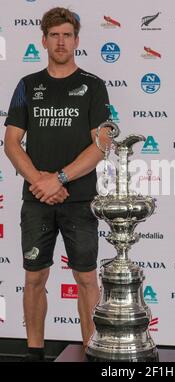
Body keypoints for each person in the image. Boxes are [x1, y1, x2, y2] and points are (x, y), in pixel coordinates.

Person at [4, 7, 111, 361]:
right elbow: (11, 142)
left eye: (67, 35)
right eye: (54, 35)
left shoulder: (94, 86)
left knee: (86, 281)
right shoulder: (27, 86)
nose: (61, 41)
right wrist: (41, 182)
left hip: (80, 199)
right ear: (44, 41)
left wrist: (60, 179)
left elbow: (101, 146)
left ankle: (91, 352)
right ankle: (35, 352)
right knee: (34, 279)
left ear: (76, 40)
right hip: (37, 200)